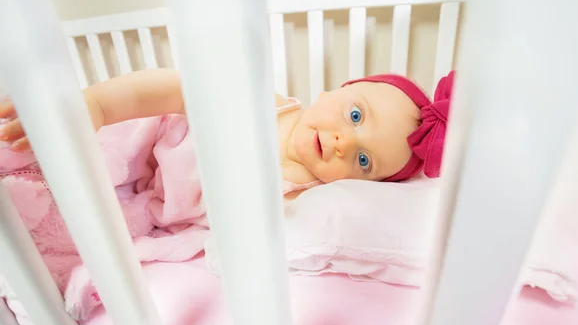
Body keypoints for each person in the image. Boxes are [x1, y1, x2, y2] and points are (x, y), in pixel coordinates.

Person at [0, 68, 453, 198]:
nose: (345, 142)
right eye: (355, 117)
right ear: (337, 88)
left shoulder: (307, 194)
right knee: (54, 153)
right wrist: (96, 105)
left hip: (145, 197)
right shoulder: (266, 104)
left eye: (363, 161)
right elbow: (180, 88)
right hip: (144, 145)